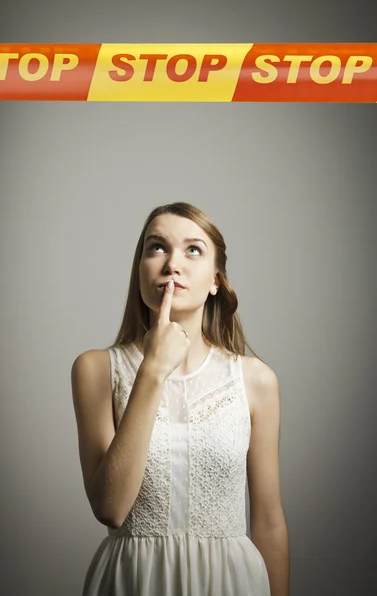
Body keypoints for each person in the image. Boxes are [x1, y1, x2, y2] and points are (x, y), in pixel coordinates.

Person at [71, 202, 290, 596]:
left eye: (193, 249)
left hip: (230, 583)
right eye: (156, 247)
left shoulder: (256, 379)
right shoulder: (94, 369)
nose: (173, 263)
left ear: (215, 281)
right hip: (132, 581)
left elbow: (269, 521)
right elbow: (110, 508)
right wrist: (152, 370)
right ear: (139, 273)